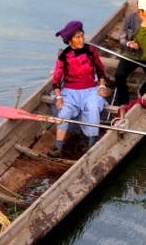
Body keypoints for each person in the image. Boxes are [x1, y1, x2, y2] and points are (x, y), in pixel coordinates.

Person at [47, 20, 109, 157]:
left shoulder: (91, 51)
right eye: (77, 37)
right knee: (63, 114)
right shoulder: (64, 56)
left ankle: (92, 145)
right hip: (70, 92)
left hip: (90, 90)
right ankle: (58, 148)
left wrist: (102, 86)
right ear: (70, 40)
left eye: (82, 36)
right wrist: (58, 97)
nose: (82, 40)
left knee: (93, 110)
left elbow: (100, 70)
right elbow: (56, 80)